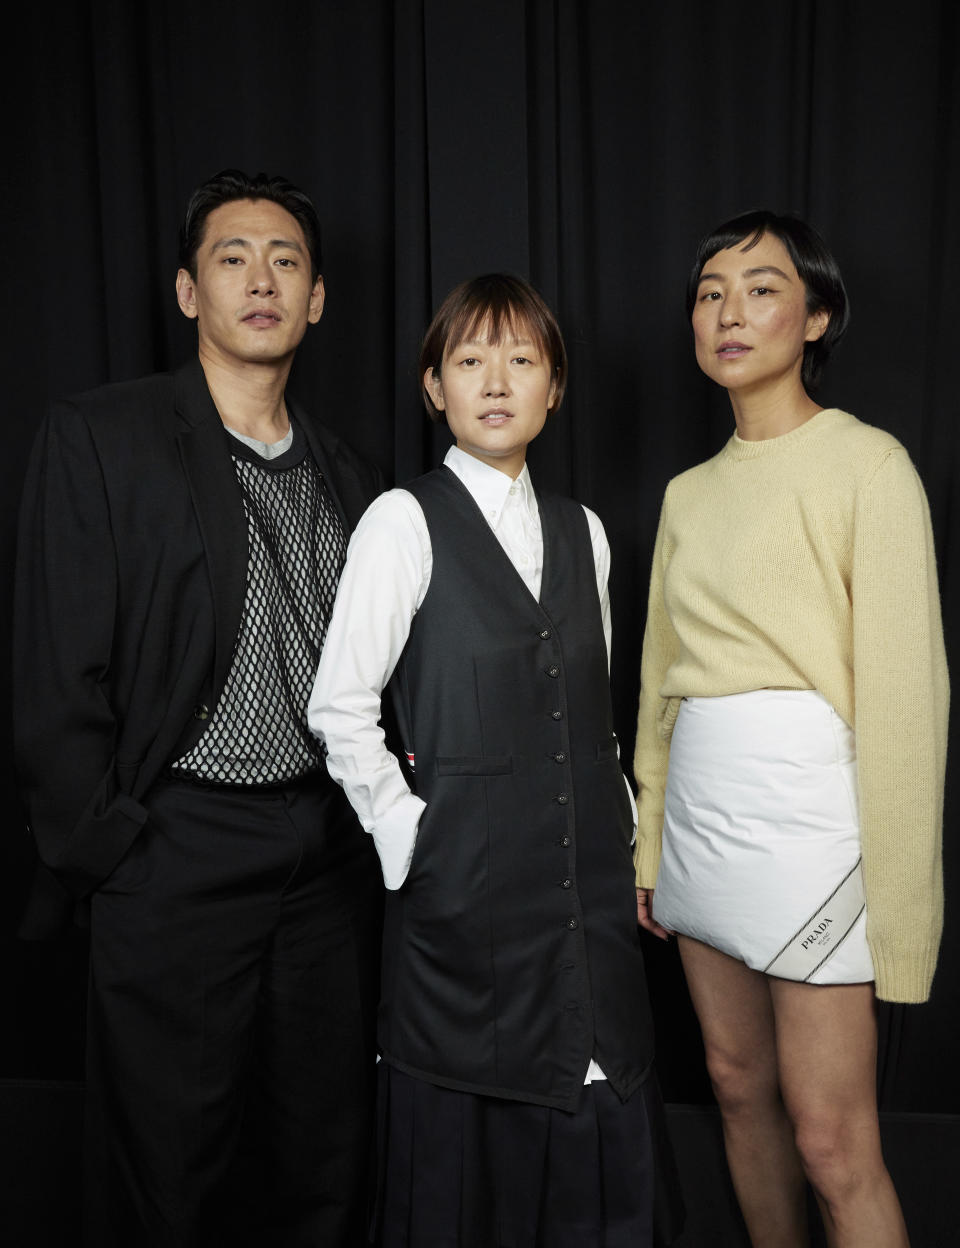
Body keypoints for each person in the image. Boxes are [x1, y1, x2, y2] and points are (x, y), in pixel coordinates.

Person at [14, 169, 384, 1246]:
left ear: (317, 298)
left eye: (286, 261)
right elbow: (55, 673)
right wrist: (115, 845)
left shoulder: (352, 478)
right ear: (188, 292)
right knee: (169, 1172)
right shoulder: (102, 439)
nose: (261, 279)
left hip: (320, 864)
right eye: (233, 257)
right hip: (173, 850)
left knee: (324, 1157)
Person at [310, 273, 682, 1247]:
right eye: (470, 360)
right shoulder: (403, 520)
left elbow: (595, 723)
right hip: (461, 910)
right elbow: (340, 707)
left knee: (599, 1126)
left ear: (554, 387)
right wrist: (411, 838)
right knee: (476, 1161)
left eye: (522, 360)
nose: (496, 382)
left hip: (590, 901)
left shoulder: (585, 532)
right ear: (434, 386)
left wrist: (633, 842)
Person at [633, 210, 948, 1247]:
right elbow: (659, 685)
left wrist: (903, 921)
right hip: (702, 823)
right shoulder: (686, 496)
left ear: (815, 317)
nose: (729, 312)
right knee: (733, 1087)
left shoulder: (871, 468)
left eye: (761, 289)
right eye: (710, 292)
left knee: (831, 1140)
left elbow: (909, 706)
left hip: (815, 826)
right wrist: (649, 844)